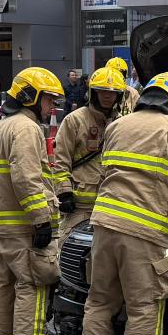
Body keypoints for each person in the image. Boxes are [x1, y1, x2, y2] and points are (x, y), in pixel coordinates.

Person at [81, 72, 168, 335]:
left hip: (103, 222)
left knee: (101, 298)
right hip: (143, 228)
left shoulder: (118, 125)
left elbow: (106, 168)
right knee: (143, 302)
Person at [0, 67, 66, 335]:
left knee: (4, 287)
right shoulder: (27, 129)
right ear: (31, 97)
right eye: (49, 100)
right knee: (33, 284)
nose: (52, 108)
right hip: (24, 228)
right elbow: (27, 178)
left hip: (0, 227)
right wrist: (41, 220)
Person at [52, 66, 125, 243]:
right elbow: (61, 159)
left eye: (113, 92)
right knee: (71, 256)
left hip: (112, 206)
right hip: (80, 208)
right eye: (102, 91)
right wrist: (64, 192)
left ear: (119, 96)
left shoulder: (123, 123)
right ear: (93, 92)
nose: (108, 96)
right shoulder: (75, 120)